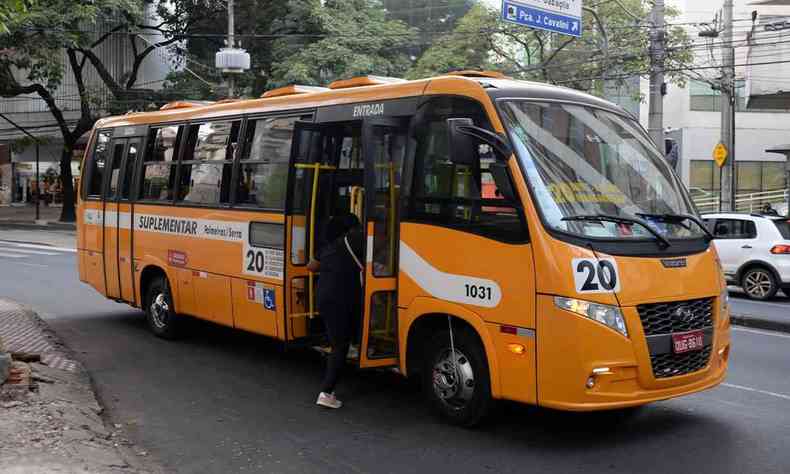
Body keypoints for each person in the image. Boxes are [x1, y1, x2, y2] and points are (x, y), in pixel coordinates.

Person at [308, 213, 364, 409]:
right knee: (340, 346)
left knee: (338, 340)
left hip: (324, 297)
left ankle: (357, 344)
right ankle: (326, 392)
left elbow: (311, 266)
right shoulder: (355, 241)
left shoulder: (328, 245)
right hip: (343, 298)